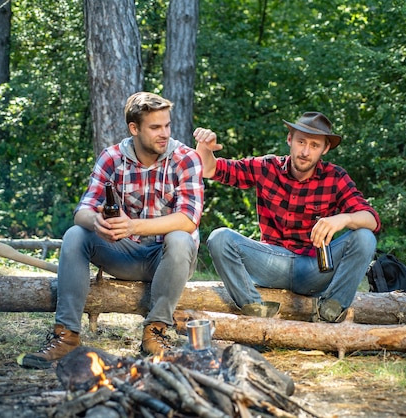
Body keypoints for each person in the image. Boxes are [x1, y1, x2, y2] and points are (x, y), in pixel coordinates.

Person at [20, 92, 204, 369]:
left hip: (169, 261)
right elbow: (82, 211)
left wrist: (133, 225)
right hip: (124, 254)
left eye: (167, 125)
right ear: (134, 128)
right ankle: (66, 335)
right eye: (155, 127)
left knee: (179, 238)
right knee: (75, 234)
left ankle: (155, 333)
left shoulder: (185, 158)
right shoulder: (112, 158)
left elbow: (189, 219)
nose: (164, 133)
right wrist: (97, 222)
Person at [193, 111, 380, 323]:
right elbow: (210, 169)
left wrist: (343, 219)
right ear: (289, 139)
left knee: (365, 237)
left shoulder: (335, 177)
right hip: (271, 262)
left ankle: (331, 309)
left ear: (325, 149)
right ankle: (255, 308)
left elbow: (372, 219)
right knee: (220, 237)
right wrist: (205, 147)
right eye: (301, 142)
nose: (305, 151)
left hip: (315, 267)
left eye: (314, 145)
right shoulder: (266, 167)